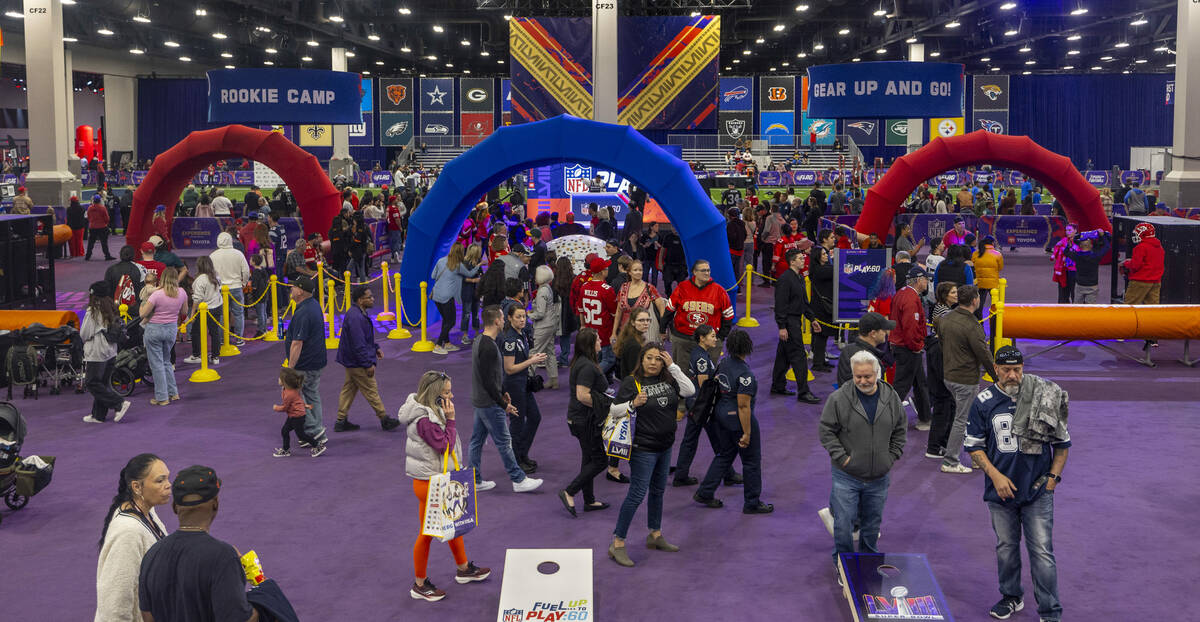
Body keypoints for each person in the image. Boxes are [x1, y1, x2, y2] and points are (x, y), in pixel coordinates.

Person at [965, 346, 1070, 622]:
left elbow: (1062, 444)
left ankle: (1050, 612)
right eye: (1007, 370)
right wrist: (995, 476)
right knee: (1006, 548)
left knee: (1042, 552)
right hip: (1000, 494)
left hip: (1038, 492)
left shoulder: (1043, 395)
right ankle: (1011, 597)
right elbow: (974, 447)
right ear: (996, 370)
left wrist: (1052, 479)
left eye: (1018, 370)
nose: (1013, 376)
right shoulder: (983, 401)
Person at [398, 371, 491, 602]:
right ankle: (420, 584)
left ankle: (463, 568)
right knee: (428, 534)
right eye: (447, 392)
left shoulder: (427, 411)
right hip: (431, 485)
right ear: (435, 395)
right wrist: (451, 420)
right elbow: (445, 446)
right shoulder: (425, 421)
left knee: (452, 524)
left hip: (433, 481)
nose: (452, 395)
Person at [607, 343, 696, 567]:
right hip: (643, 449)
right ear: (642, 359)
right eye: (649, 358)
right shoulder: (631, 382)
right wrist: (632, 403)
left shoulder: (668, 379)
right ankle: (617, 543)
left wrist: (673, 366)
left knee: (658, 491)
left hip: (665, 446)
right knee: (637, 495)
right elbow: (614, 410)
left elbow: (689, 390)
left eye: (658, 358)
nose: (653, 362)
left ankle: (655, 535)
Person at [818, 350, 906, 570]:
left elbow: (900, 429)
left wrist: (891, 456)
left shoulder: (891, 397)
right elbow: (826, 431)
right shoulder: (838, 399)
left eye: (867, 376)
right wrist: (843, 459)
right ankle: (844, 565)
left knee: (872, 523)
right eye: (858, 376)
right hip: (846, 475)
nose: (862, 381)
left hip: (879, 476)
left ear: (877, 373)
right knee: (844, 524)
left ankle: (867, 563)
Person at [137, 466, 259, 622]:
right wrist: (265, 591)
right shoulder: (223, 556)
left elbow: (148, 617)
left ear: (175, 507)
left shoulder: (152, 555)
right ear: (216, 503)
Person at [693, 330, 773, 514]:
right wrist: (746, 433)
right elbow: (743, 406)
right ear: (748, 348)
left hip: (720, 416)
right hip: (738, 419)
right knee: (751, 461)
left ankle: (705, 491)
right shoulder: (746, 375)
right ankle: (752, 502)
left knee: (725, 453)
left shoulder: (723, 363)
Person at [469, 305, 543, 493]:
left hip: (481, 399)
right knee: (504, 441)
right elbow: (488, 380)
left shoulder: (480, 340)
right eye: (502, 318)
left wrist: (503, 391)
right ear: (496, 321)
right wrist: (503, 403)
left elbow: (492, 375)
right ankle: (518, 479)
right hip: (489, 402)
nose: (504, 321)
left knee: (477, 440)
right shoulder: (489, 346)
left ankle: (474, 478)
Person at [95, 454, 170, 622]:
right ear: (137, 487)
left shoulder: (148, 512)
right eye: (160, 481)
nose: (168, 485)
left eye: (168, 478)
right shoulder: (128, 532)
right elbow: (114, 604)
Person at [935, 285, 997, 474]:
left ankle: (976, 458)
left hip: (949, 375)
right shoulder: (972, 325)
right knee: (962, 420)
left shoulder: (944, 319)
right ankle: (951, 461)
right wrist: (997, 378)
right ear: (975, 301)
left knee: (967, 418)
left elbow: (942, 343)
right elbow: (984, 354)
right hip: (965, 378)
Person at [558, 328, 614, 516]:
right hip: (584, 421)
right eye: (598, 339)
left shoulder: (583, 362)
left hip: (581, 419)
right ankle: (569, 492)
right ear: (591, 345)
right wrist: (607, 405)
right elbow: (583, 396)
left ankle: (589, 500)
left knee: (589, 459)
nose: (601, 342)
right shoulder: (588, 367)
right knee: (599, 461)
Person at [334, 286, 400, 433]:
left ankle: (340, 420)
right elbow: (359, 344)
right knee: (371, 389)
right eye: (369, 297)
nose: (372, 299)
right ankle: (384, 419)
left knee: (349, 389)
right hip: (356, 361)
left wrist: (375, 347)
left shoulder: (356, 313)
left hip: (350, 359)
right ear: (360, 300)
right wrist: (367, 363)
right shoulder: (356, 317)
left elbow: (364, 338)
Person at [771, 248, 821, 403]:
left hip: (795, 320)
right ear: (792, 261)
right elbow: (780, 304)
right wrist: (782, 326)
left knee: (784, 356)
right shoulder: (785, 279)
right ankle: (803, 392)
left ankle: (778, 385)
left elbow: (804, 302)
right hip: (789, 322)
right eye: (800, 258)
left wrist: (812, 319)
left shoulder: (798, 278)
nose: (803, 260)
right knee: (799, 356)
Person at [501, 305, 547, 474]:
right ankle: (515, 460)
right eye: (518, 317)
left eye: (523, 317)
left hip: (523, 383)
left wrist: (531, 358)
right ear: (510, 318)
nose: (522, 320)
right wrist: (531, 361)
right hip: (514, 385)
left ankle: (522, 453)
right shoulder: (510, 340)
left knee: (535, 417)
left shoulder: (522, 334)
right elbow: (509, 368)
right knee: (517, 422)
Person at [284, 275, 329, 446]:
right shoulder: (313, 306)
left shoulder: (303, 312)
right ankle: (316, 428)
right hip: (316, 361)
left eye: (293, 286)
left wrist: (289, 369)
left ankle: (313, 432)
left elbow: (297, 343)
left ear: (300, 290)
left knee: (296, 397)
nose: (291, 289)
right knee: (312, 394)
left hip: (305, 364)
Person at [80, 281, 132, 424]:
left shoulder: (93, 311)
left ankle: (118, 404)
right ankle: (98, 415)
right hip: (111, 351)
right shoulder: (111, 307)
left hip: (97, 352)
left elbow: (84, 333)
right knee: (102, 383)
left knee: (92, 383)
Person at [666, 259, 734, 365]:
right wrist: (666, 329)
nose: (706, 273)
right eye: (703, 270)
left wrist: (720, 337)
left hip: (708, 341)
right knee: (681, 373)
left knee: (707, 374)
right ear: (694, 272)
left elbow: (728, 316)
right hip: (683, 338)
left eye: (708, 270)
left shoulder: (719, 291)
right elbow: (669, 310)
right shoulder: (682, 287)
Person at [889, 265, 932, 430]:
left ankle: (925, 417)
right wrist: (916, 346)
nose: (927, 282)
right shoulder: (911, 299)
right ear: (919, 281)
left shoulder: (902, 293)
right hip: (908, 348)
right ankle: (885, 419)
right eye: (925, 279)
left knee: (920, 384)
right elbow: (910, 327)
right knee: (901, 386)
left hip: (904, 346)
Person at [138, 267, 186, 406]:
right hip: (171, 330)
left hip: (154, 330)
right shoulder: (182, 292)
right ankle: (173, 393)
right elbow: (184, 311)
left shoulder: (156, 295)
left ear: (162, 278)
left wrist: (141, 307)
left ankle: (162, 397)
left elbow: (143, 314)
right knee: (166, 362)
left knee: (157, 364)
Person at [574, 254, 619, 375]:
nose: (608, 270)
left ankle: (599, 385)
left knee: (596, 358)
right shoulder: (607, 289)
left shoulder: (584, 287)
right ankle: (591, 376)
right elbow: (615, 313)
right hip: (604, 331)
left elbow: (581, 309)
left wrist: (583, 325)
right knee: (609, 359)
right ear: (602, 272)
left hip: (590, 329)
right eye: (606, 268)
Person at [431, 245, 477, 355]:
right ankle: (438, 345)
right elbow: (470, 274)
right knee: (451, 322)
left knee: (446, 320)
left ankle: (446, 343)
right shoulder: (458, 265)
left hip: (436, 295)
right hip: (447, 297)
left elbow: (433, 276)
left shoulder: (441, 260)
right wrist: (479, 265)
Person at [273, 368, 327, 457]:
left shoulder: (289, 394)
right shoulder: (286, 390)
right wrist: (305, 406)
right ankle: (286, 450)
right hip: (293, 415)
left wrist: (276, 408)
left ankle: (317, 445)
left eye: (280, 378)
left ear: (285, 382)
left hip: (297, 417)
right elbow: (297, 401)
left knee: (301, 435)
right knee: (284, 431)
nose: (278, 379)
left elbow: (285, 407)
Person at [210, 232, 251, 346]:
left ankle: (222, 339)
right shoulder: (238, 254)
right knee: (238, 314)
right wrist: (243, 282)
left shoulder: (213, 255)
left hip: (220, 289)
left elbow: (210, 273)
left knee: (222, 315)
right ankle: (239, 339)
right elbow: (246, 271)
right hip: (236, 287)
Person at [836, 311, 895, 387]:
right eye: (883, 329)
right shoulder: (871, 360)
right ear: (873, 333)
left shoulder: (847, 350)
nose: (886, 332)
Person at [184, 257, 223, 367]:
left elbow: (197, 299)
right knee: (214, 331)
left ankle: (197, 355)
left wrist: (192, 313)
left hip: (204, 309)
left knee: (196, 332)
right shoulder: (216, 276)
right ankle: (215, 356)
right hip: (217, 307)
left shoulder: (200, 279)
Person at [529, 265, 562, 390]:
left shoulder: (542, 291)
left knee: (534, 352)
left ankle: (528, 378)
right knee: (549, 352)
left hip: (543, 326)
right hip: (551, 324)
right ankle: (554, 380)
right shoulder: (547, 287)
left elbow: (540, 313)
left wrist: (529, 316)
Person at [1067, 229, 1110, 304]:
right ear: (1091, 246)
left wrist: (1070, 244)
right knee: (1090, 309)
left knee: (1077, 308)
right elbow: (1107, 246)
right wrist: (1103, 236)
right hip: (1092, 286)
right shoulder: (1096, 256)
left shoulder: (1077, 256)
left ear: (1080, 246)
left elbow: (1066, 252)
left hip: (1080, 285)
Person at [613, 307, 652, 379]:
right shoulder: (634, 345)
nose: (646, 323)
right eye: (641, 320)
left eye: (648, 320)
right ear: (633, 322)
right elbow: (634, 371)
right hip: (633, 384)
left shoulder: (631, 335)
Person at [105, 245, 145, 310]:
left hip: (114, 308)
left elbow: (106, 290)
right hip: (133, 308)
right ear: (133, 256)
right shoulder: (139, 268)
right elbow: (141, 290)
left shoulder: (111, 269)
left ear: (120, 255)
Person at [459, 244, 484, 345]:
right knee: (466, 314)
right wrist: (474, 280)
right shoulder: (464, 263)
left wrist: (481, 278)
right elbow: (462, 278)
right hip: (467, 292)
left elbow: (481, 274)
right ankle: (464, 335)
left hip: (476, 292)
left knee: (476, 314)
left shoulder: (477, 262)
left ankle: (477, 334)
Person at [972, 236, 1004, 317]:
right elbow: (1000, 268)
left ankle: (979, 321)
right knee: (995, 304)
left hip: (980, 283)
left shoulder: (976, 253)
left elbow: (973, 266)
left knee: (979, 304)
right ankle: (996, 321)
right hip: (993, 283)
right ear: (992, 243)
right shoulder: (997, 254)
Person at [1050, 223, 1079, 304]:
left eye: (1070, 230)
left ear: (1075, 231)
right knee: (1063, 293)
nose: (1067, 232)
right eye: (1066, 230)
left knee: (1075, 293)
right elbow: (1056, 251)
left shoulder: (1080, 242)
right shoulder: (1063, 241)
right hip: (1063, 271)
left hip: (1074, 271)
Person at [86, 194, 113, 261]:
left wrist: (92, 222)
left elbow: (88, 217)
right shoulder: (102, 208)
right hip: (102, 227)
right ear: (99, 200)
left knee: (91, 242)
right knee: (104, 242)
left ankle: (88, 256)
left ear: (93, 200)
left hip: (92, 227)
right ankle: (107, 255)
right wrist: (105, 223)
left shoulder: (90, 208)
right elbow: (107, 218)